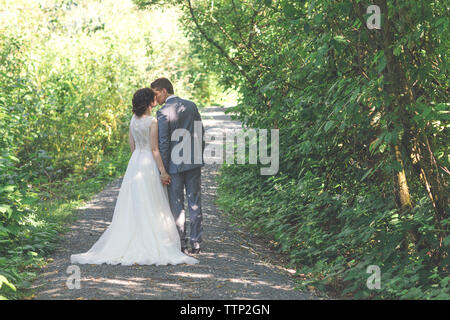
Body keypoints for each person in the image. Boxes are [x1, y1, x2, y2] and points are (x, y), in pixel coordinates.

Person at [70, 88, 199, 266]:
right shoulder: (152, 121)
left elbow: (132, 145)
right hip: (148, 162)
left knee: (134, 201)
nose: (156, 99)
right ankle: (154, 240)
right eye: (153, 98)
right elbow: (155, 149)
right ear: (149, 102)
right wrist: (163, 171)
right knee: (152, 202)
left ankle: (131, 237)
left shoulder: (133, 120)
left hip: (136, 161)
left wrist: (137, 159)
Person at [151, 78, 205, 255]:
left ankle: (181, 243)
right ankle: (196, 243)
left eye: (156, 94)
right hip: (193, 161)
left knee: (177, 204)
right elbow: (200, 132)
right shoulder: (191, 106)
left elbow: (164, 144)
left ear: (164, 91)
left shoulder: (163, 112)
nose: (155, 98)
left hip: (174, 165)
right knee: (194, 202)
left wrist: (163, 170)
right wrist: (198, 155)